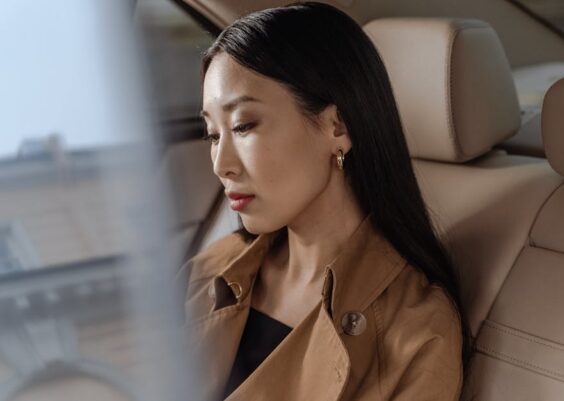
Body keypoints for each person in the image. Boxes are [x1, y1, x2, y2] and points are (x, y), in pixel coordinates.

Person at [176, 2, 469, 400]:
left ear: (338, 126)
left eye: (243, 126)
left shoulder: (416, 330)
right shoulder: (212, 269)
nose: (221, 165)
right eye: (213, 134)